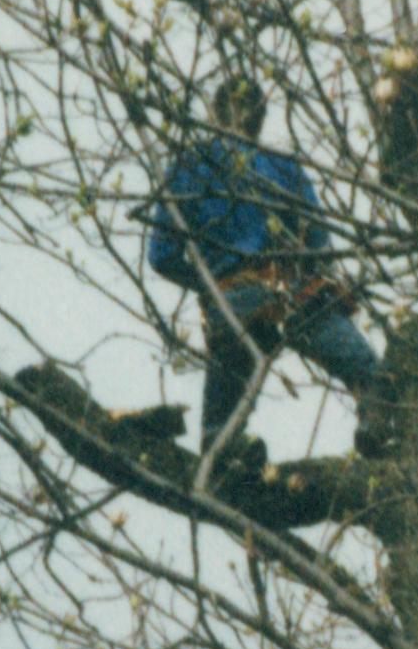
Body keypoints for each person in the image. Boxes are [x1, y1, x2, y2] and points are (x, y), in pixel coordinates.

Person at [146, 73, 382, 456]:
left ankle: (222, 444)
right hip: (292, 291)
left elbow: (161, 256)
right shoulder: (284, 168)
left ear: (214, 113)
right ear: (261, 117)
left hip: (231, 299)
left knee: (225, 397)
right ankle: (376, 422)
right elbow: (319, 244)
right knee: (368, 374)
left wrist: (207, 283)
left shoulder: (189, 167)